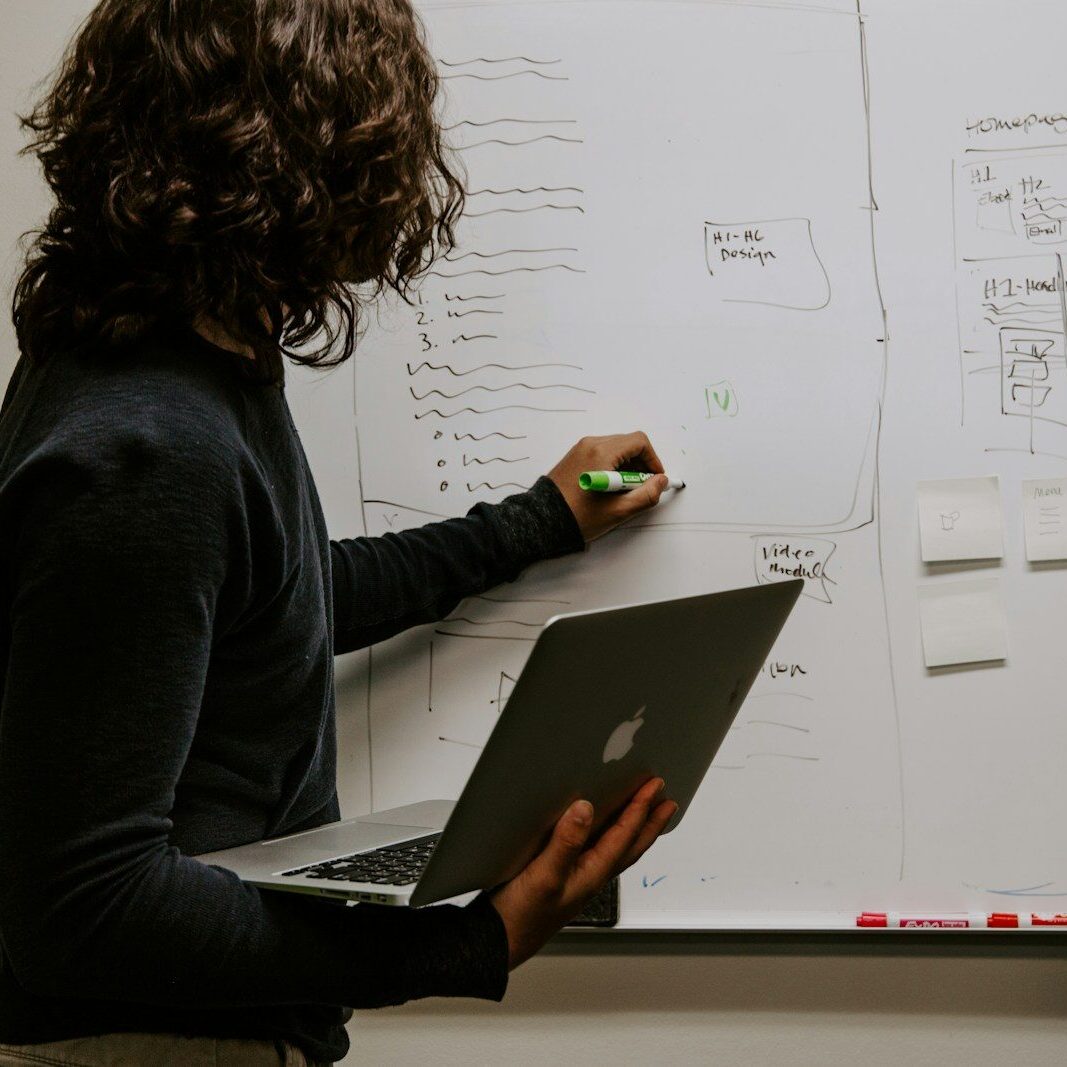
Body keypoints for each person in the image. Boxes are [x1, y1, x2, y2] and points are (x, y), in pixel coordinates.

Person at [0, 1, 677, 1064]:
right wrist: (469, 944)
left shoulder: (183, 362)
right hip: (152, 1046)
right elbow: (83, 911)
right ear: (317, 162)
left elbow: (276, 597)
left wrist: (542, 519)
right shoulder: (144, 442)